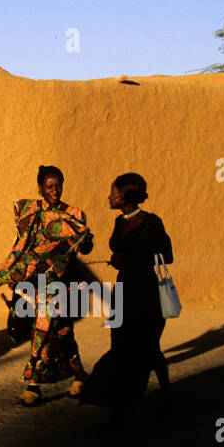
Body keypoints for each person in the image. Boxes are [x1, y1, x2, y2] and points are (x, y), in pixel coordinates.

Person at [0, 165, 93, 406]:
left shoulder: (74, 215)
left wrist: (87, 242)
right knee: (60, 332)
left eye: (58, 185)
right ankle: (79, 376)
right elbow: (20, 248)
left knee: (43, 328)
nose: (55, 190)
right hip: (35, 284)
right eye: (49, 186)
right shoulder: (31, 213)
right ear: (40, 188)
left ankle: (33, 386)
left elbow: (84, 248)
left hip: (63, 284)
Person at [79, 173, 174, 432]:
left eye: (113, 192)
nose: (109, 196)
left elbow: (167, 255)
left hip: (146, 292)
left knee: (147, 348)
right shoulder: (119, 221)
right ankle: (128, 408)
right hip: (123, 291)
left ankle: (146, 405)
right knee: (122, 347)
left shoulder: (152, 222)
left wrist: (128, 258)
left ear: (125, 195)